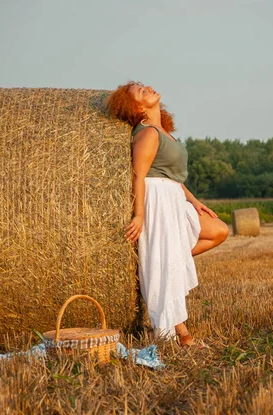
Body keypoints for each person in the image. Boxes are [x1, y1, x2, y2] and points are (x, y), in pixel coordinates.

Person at [106, 81, 228, 346]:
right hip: (157, 200)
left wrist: (194, 201)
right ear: (136, 106)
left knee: (219, 231)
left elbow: (172, 174)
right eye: (140, 91)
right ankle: (178, 329)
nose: (148, 87)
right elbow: (139, 175)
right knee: (165, 259)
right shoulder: (148, 133)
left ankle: (156, 267)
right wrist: (139, 216)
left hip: (173, 197)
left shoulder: (163, 131)